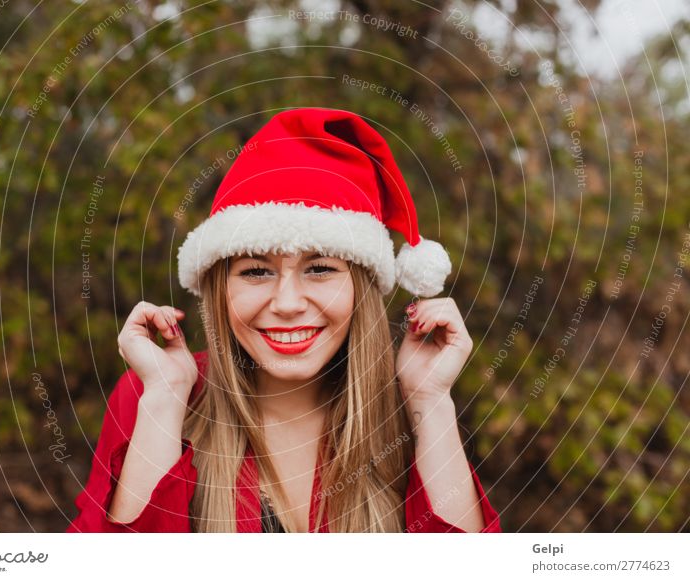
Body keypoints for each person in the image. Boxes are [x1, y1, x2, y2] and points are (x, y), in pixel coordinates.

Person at [66, 108, 502, 533]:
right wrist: (164, 399)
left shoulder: (407, 405)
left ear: (361, 289)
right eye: (256, 271)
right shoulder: (157, 393)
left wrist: (430, 406)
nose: (288, 303)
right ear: (220, 291)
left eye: (320, 269)